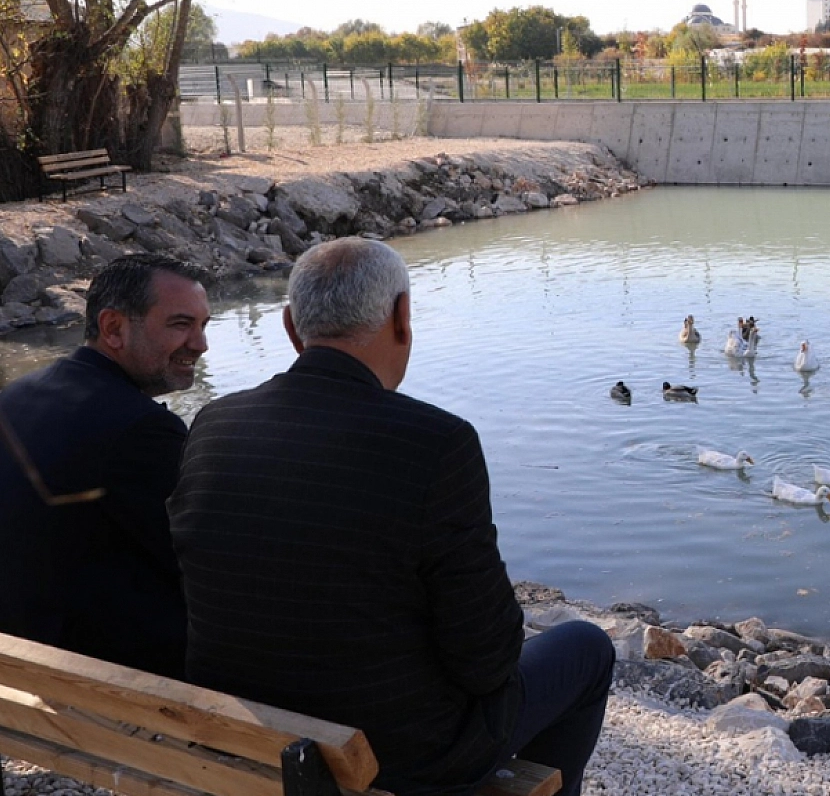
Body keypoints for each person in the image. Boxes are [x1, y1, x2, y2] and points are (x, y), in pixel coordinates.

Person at [170, 237, 612, 796]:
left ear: (290, 327)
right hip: (397, 757)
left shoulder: (212, 426)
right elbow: (486, 660)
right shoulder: (435, 442)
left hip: (252, 732)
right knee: (585, 649)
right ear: (402, 318)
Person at [0, 253, 211, 678]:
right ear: (113, 328)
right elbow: (206, 563)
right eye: (180, 324)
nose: (201, 344)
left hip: (24, 661)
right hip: (114, 682)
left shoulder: (17, 396)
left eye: (203, 325)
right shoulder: (141, 429)